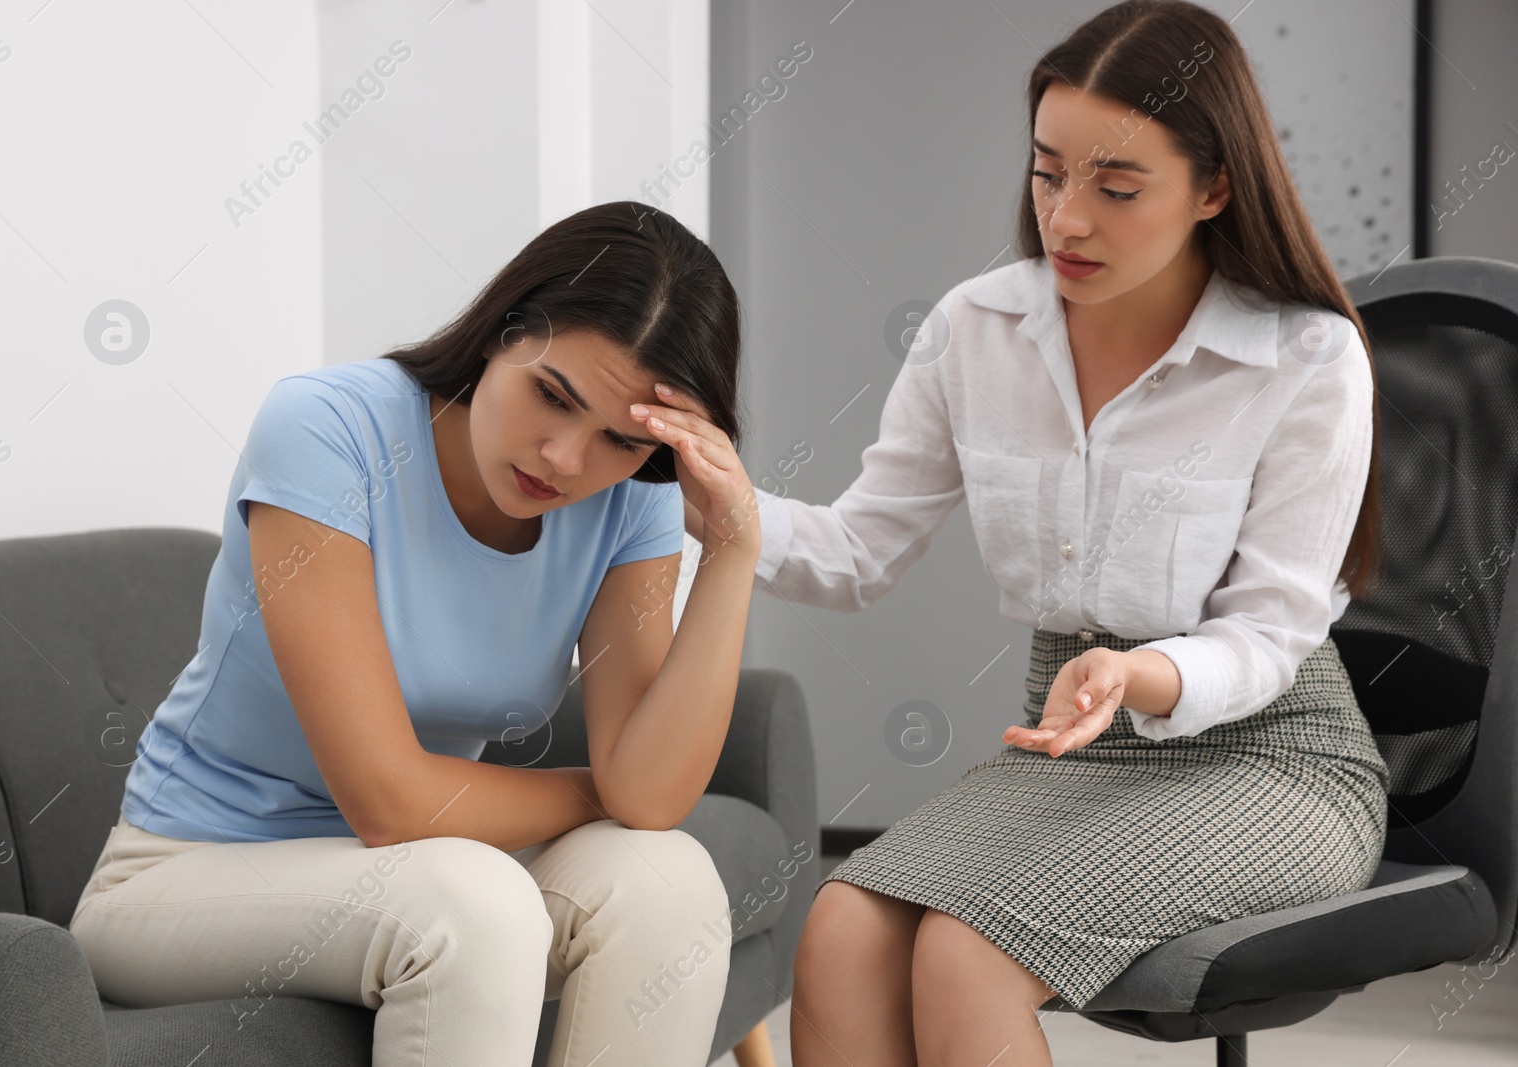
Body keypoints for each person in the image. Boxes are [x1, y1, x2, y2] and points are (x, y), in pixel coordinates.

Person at [716, 3, 1390, 1064]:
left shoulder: (1305, 359)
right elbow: (857, 552)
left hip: (1273, 760)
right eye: (1046, 173)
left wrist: (1138, 672)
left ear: (1214, 187)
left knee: (962, 951)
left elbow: (1270, 635)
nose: (1066, 218)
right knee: (842, 928)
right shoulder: (974, 329)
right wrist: (696, 494)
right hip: (1063, 752)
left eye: (1115, 188)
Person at [69, 201, 762, 1067]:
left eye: (620, 441)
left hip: (417, 865)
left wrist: (734, 550)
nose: (565, 458)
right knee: (473, 904)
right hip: (187, 870)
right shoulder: (330, 429)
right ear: (499, 332)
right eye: (553, 395)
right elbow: (389, 802)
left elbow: (652, 800)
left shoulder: (630, 500)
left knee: (670, 884)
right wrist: (603, 789)